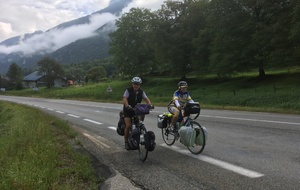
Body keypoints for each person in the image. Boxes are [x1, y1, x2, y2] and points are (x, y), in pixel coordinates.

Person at [123, 77, 152, 150]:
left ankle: (140, 125)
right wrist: (127, 106)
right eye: (134, 84)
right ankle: (126, 142)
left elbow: (146, 99)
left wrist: (150, 105)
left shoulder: (141, 92)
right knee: (128, 125)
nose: (136, 85)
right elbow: (125, 98)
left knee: (143, 113)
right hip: (128, 110)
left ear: (140, 85)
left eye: (138, 84)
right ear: (132, 84)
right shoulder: (128, 90)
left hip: (137, 109)